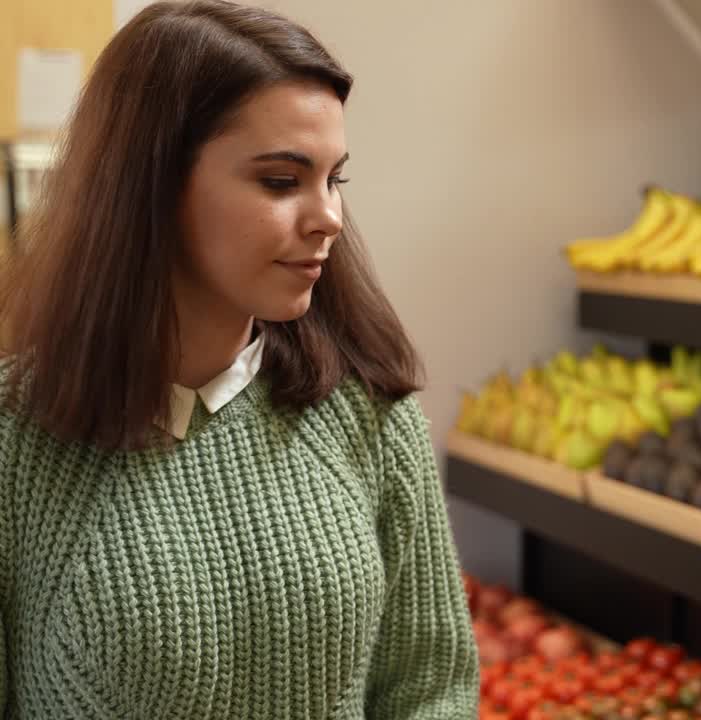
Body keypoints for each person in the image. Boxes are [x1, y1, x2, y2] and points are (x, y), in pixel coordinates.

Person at [0, 1, 478, 717]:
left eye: (333, 179)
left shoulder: (374, 421)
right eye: (282, 182)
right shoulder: (13, 442)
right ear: (151, 186)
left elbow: (431, 687)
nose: (329, 219)